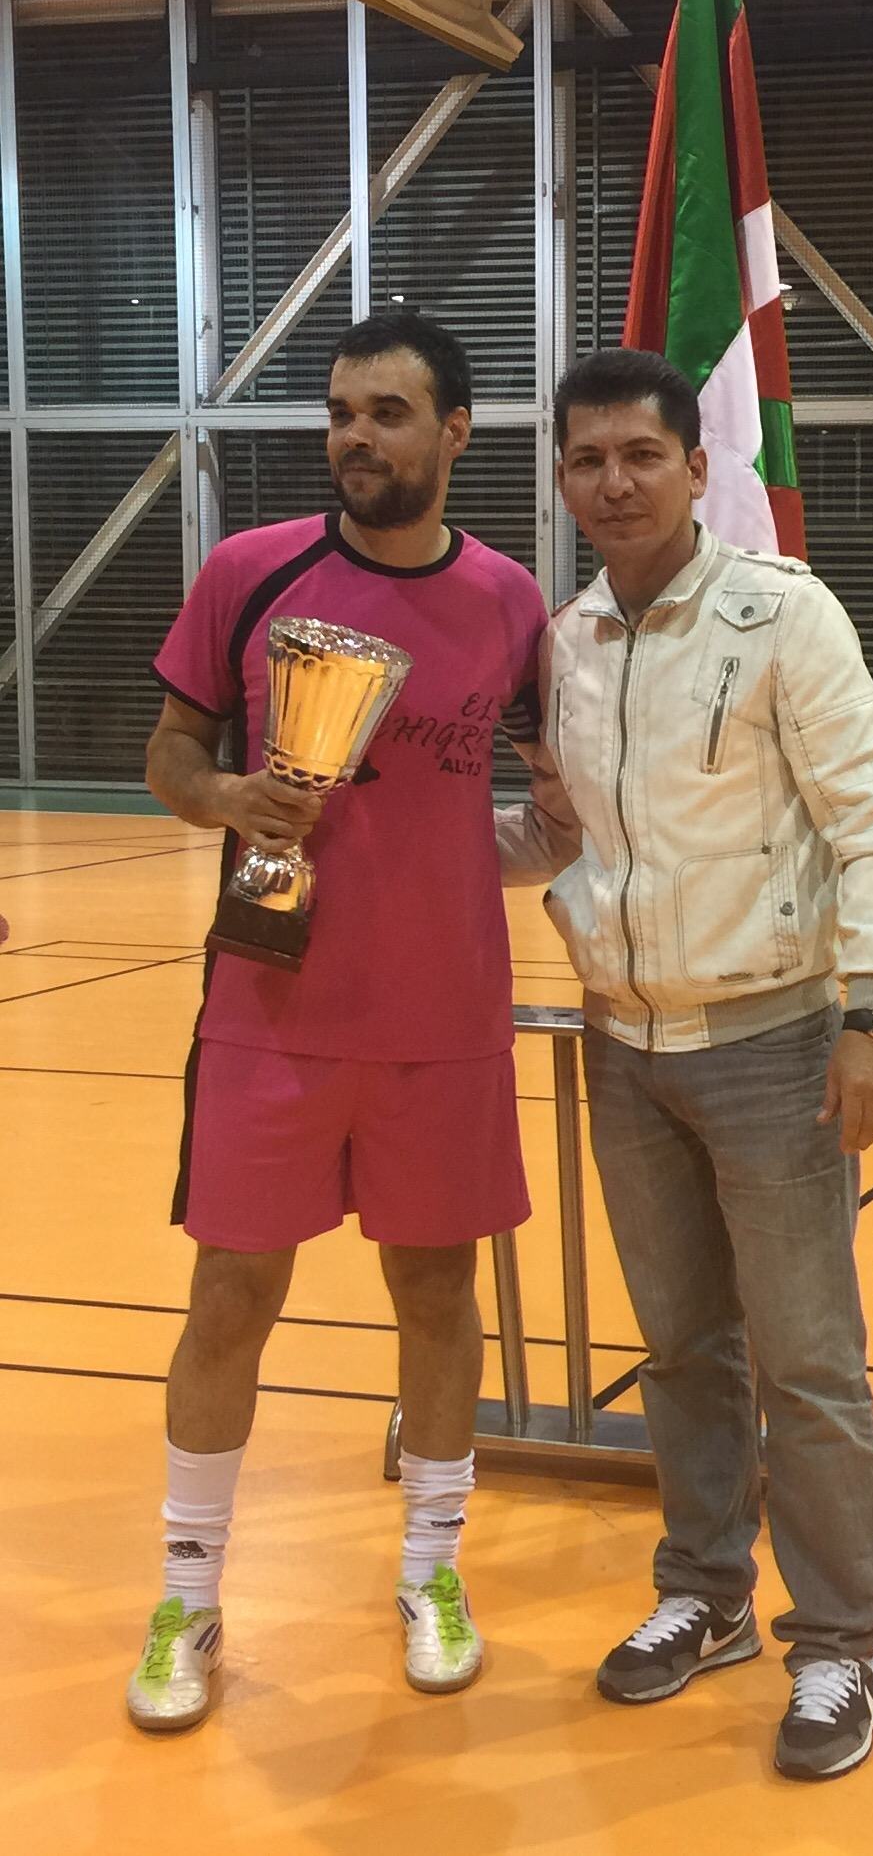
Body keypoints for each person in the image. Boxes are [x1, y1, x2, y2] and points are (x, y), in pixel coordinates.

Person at [496, 347, 873, 1782]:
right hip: (624, 1047)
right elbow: (565, 839)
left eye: (638, 454)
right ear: (560, 481)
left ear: (695, 466)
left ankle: (838, 1647)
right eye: (585, 460)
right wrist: (383, 846)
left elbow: (867, 810)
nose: (611, 482)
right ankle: (706, 1595)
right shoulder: (563, 645)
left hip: (772, 1043)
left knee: (806, 1364)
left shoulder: (780, 616)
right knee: (681, 1349)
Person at [127, 313, 547, 1732]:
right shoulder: (252, 575)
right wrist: (228, 799)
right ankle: (187, 1591)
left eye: (386, 413)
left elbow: (546, 789)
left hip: (442, 1022)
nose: (354, 437)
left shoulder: (510, 600)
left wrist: (534, 847)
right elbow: (172, 753)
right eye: (340, 413)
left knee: (436, 1301)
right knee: (230, 1300)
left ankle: (432, 1571)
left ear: (454, 435)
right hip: (270, 1010)